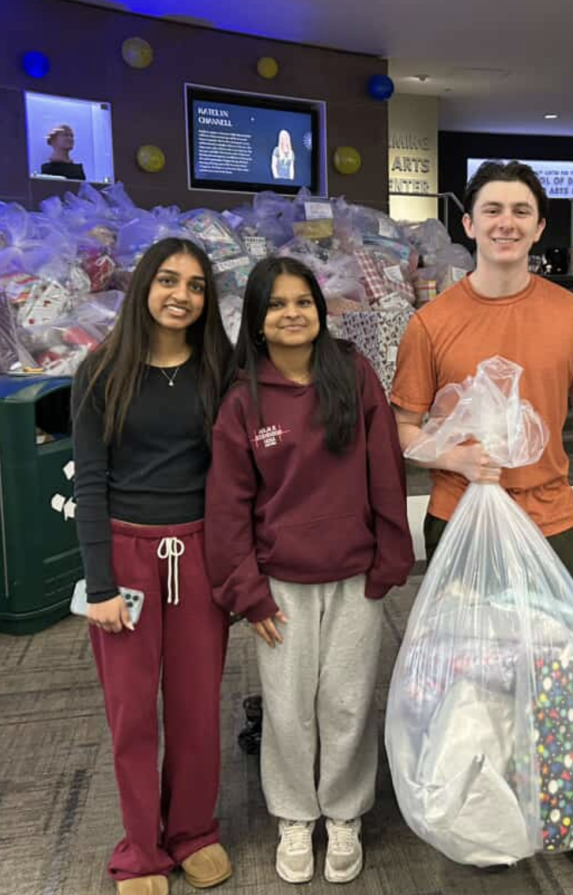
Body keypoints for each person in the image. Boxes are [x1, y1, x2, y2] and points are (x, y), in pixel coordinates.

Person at [391, 159, 573, 878]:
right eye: (492, 210)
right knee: (472, 673)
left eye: (521, 211)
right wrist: (455, 457)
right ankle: (481, 807)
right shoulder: (432, 322)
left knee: (567, 669)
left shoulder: (570, 312)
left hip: (552, 517)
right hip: (463, 520)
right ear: (468, 224)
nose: (506, 223)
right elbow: (403, 431)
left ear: (540, 226)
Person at [205, 257, 414, 885]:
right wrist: (247, 593)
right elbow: (228, 504)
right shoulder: (243, 400)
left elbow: (385, 469)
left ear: (320, 312)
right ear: (257, 321)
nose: (291, 314)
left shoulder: (353, 373)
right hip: (279, 586)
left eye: (303, 302)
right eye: (276, 305)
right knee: (289, 707)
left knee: (348, 701)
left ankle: (345, 813)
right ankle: (295, 816)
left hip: (355, 575)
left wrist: (390, 557)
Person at [72, 238, 235, 895]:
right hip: (126, 556)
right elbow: (90, 481)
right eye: (168, 280)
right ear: (144, 285)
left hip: (200, 553)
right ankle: (141, 848)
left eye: (196, 286)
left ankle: (192, 830)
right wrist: (100, 584)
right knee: (132, 713)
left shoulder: (219, 368)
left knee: (198, 708)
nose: (181, 296)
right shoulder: (100, 370)